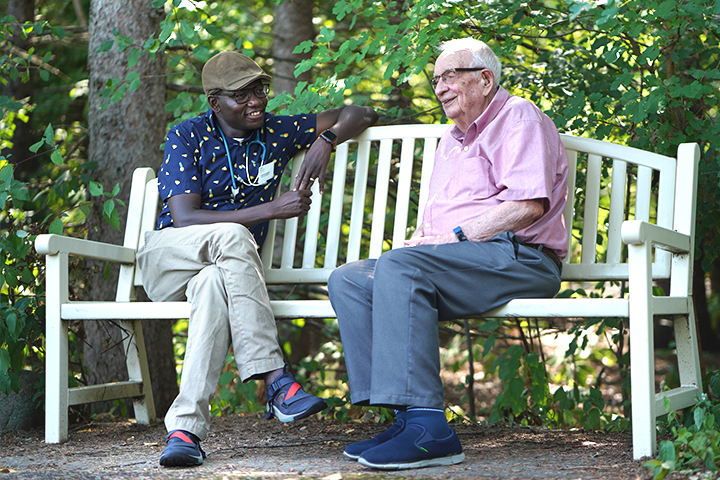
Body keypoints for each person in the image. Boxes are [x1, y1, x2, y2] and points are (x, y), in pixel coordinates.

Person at [327, 38, 569, 470]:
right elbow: (436, 223)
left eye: (450, 75)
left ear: (485, 78)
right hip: (465, 261)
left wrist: (453, 239)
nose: (439, 86)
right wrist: (422, 245)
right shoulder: (450, 141)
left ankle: (430, 429)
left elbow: (528, 205)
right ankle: (404, 418)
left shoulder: (517, 116)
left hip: (520, 257)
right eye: (436, 78)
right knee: (349, 279)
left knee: (398, 266)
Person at [137, 50, 378, 468]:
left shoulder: (276, 132)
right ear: (214, 102)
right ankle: (274, 378)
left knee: (214, 287)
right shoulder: (187, 135)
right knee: (232, 234)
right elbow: (185, 217)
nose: (256, 101)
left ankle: (184, 430)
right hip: (170, 255)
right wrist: (270, 210)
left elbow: (361, 112)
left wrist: (326, 140)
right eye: (241, 95)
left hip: (222, 271)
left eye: (260, 89)